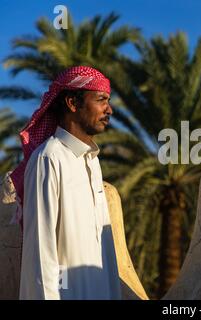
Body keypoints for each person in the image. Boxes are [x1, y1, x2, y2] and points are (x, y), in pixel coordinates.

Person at [10, 66, 121, 300]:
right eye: (101, 99)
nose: (109, 109)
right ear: (72, 103)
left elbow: (106, 252)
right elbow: (41, 253)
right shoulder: (49, 158)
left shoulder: (92, 163)